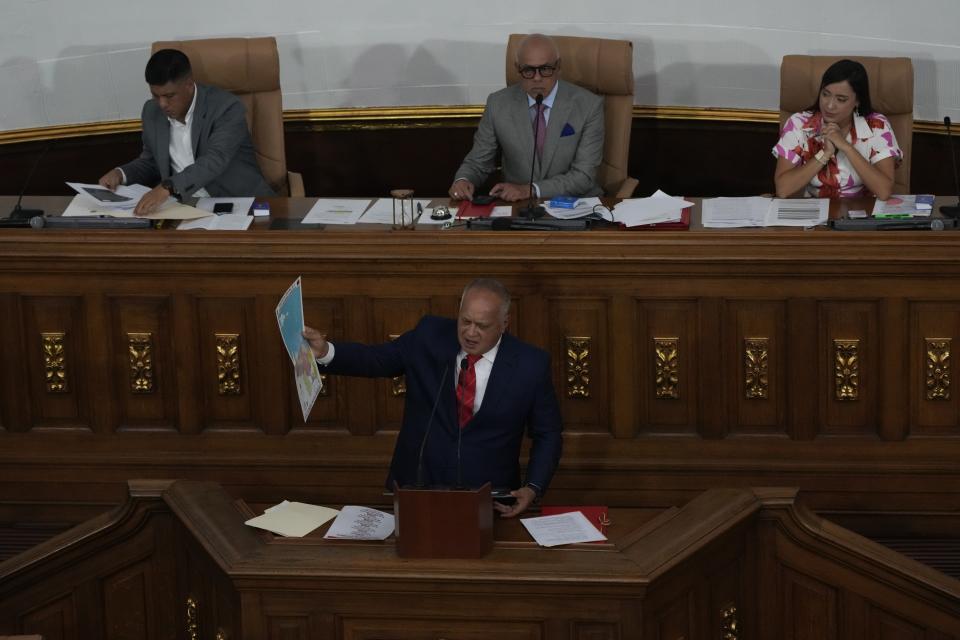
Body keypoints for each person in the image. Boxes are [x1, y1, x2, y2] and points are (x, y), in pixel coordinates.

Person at [302, 278, 562, 518]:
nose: (470, 333)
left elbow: (548, 433)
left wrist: (533, 487)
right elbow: (376, 360)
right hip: (417, 489)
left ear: (504, 323)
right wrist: (326, 351)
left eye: (482, 326)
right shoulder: (429, 336)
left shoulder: (530, 364)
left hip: (491, 500)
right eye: (465, 321)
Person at [98, 49, 274, 215]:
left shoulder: (226, 108)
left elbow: (215, 159)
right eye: (155, 95)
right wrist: (120, 173)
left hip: (238, 202)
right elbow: (151, 162)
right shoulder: (151, 111)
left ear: (189, 85)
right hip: (182, 207)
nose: (162, 104)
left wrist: (168, 187)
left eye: (169, 96)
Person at [448, 33, 604, 203]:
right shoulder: (498, 104)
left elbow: (584, 176)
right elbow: (479, 162)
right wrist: (463, 180)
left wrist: (530, 190)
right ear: (517, 68)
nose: (537, 78)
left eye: (545, 69)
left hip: (575, 204)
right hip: (519, 207)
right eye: (529, 70)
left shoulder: (589, 105)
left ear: (558, 66)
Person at [773, 59, 901, 200]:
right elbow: (782, 189)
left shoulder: (877, 125)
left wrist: (846, 147)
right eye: (825, 94)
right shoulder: (799, 124)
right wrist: (825, 153)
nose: (829, 106)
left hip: (862, 213)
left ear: (857, 101)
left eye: (841, 99)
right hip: (814, 213)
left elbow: (884, 191)